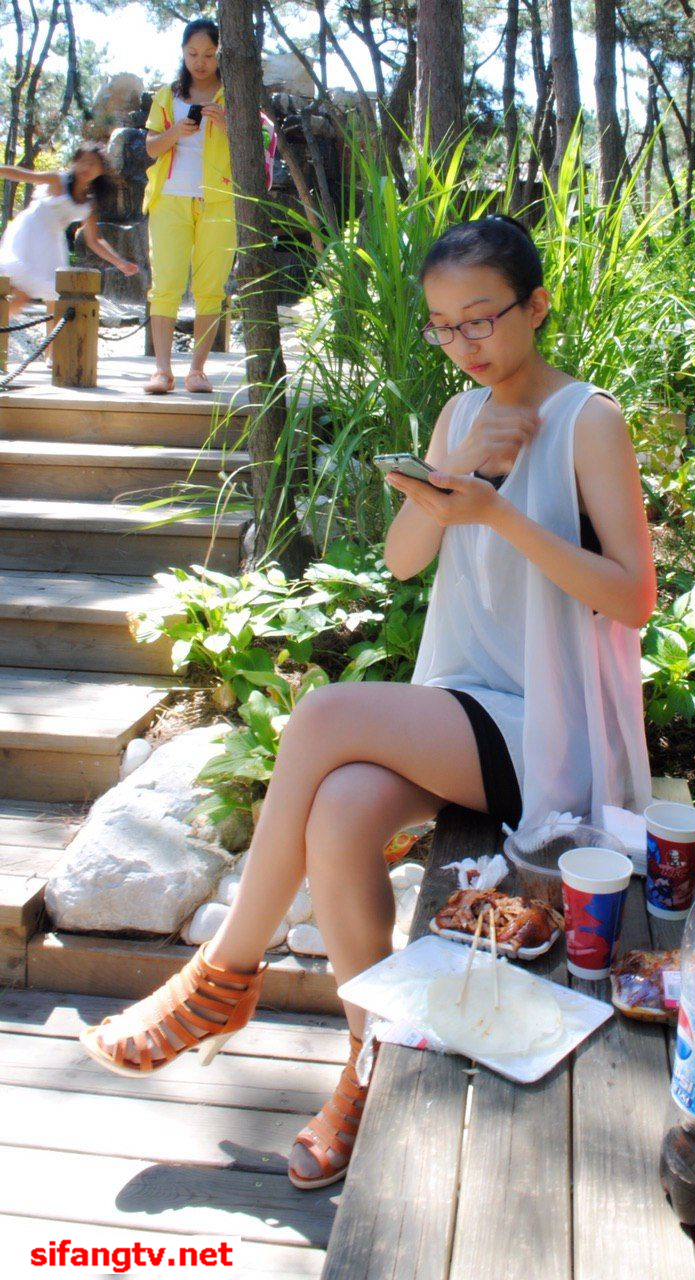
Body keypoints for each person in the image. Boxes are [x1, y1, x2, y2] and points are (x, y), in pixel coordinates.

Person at [78, 214, 657, 1192]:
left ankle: (223, 972)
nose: (466, 343)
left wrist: (500, 511)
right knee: (341, 807)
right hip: (470, 703)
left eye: (483, 318)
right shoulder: (459, 415)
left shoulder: (587, 420)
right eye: (445, 326)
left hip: (555, 732)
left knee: (321, 715)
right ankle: (363, 1065)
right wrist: (455, 481)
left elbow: (634, 596)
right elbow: (401, 560)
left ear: (537, 306)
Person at [141, 17, 234, 395]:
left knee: (211, 287)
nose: (201, 62)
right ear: (182, 52)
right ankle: (161, 371)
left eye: (209, 54)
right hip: (169, 199)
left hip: (220, 200)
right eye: (193, 53)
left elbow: (257, 145)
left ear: (220, 54)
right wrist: (176, 132)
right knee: (166, 285)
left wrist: (226, 123)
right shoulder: (168, 95)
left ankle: (197, 371)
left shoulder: (234, 94)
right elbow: (151, 148)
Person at [0, 142, 138, 354]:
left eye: (92, 163)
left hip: (51, 243)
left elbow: (94, 240)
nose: (86, 167)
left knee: (55, 297)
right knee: (18, 292)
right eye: (83, 161)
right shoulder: (58, 180)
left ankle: (51, 354)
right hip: (28, 233)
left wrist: (120, 263)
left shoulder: (89, 203)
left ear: (100, 170)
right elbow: (24, 175)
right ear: (75, 162)